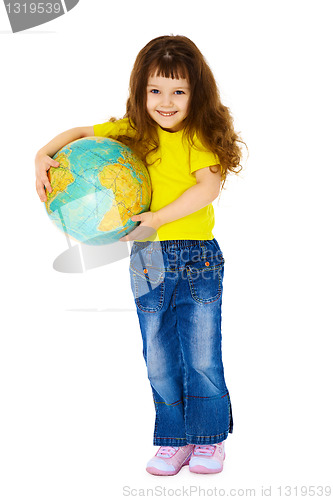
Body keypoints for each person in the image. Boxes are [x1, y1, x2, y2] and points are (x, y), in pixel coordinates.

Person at [35, 35, 245, 476]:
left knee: (201, 352)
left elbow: (207, 187)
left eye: (179, 91)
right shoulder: (134, 132)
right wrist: (42, 155)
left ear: (196, 95)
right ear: (141, 91)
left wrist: (158, 218)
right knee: (158, 354)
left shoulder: (197, 136)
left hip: (196, 258)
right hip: (147, 260)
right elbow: (77, 134)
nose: (165, 101)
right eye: (155, 90)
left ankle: (208, 440)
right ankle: (173, 440)